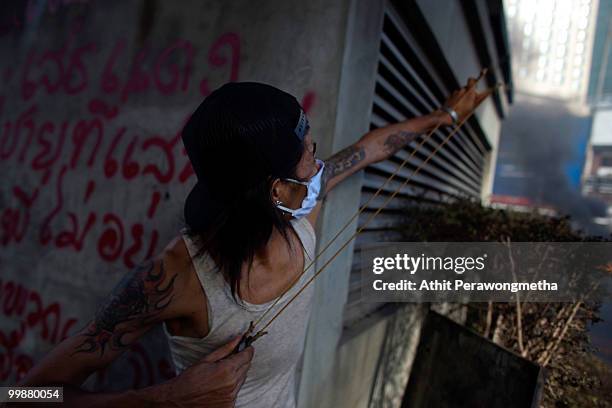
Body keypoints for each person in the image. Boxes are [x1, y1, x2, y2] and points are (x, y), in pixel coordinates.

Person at [16, 76, 489, 407]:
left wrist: (444, 116)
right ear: (276, 190)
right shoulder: (175, 280)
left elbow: (371, 148)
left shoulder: (301, 207)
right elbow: (21, 394)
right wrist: (160, 400)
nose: (320, 164)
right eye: (309, 157)